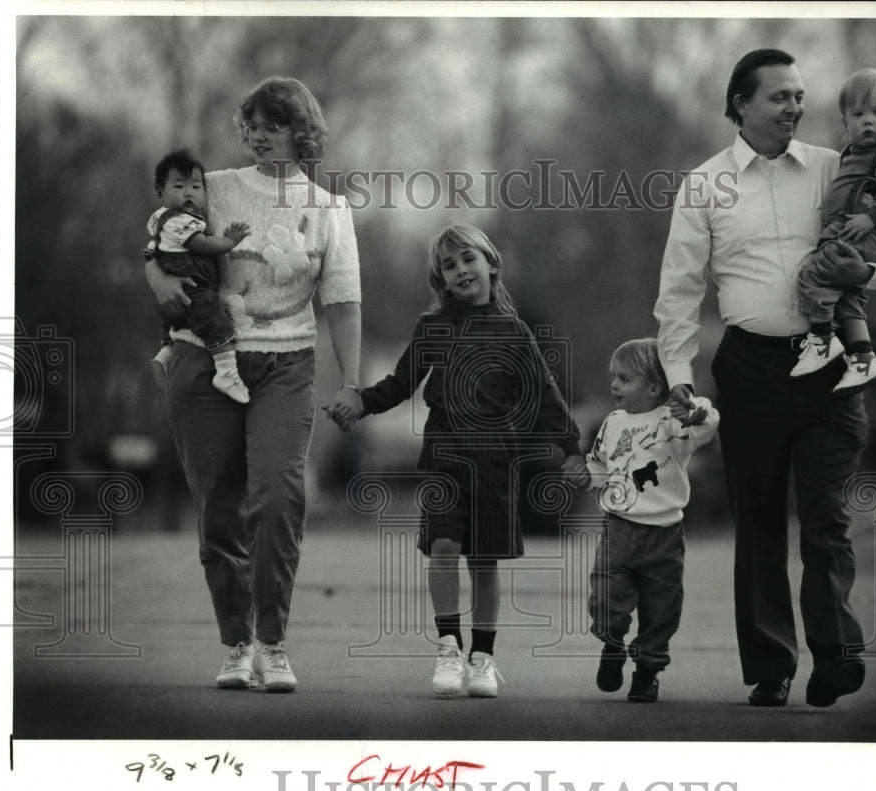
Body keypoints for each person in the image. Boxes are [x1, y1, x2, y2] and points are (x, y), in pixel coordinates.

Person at [655, 49, 876, 708]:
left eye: (799, 95)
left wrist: (867, 272)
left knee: (826, 517)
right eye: (779, 97)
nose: (795, 106)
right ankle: (771, 662)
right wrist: (677, 374)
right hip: (751, 369)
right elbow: (679, 289)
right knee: (760, 519)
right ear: (740, 104)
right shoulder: (705, 185)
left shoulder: (835, 165)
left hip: (830, 366)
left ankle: (834, 654)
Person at [144, 76, 362, 693]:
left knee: (276, 498)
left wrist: (351, 381)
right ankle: (236, 643)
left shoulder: (331, 209)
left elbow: (342, 303)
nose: (262, 135)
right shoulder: (214, 188)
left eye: (275, 124)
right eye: (254, 125)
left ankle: (273, 642)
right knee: (218, 507)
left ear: (302, 130)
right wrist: (153, 276)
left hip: (286, 364)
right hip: (203, 361)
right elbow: (163, 236)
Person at [326, 224, 588, 698]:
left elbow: (546, 394)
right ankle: (448, 648)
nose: (460, 270)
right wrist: (361, 403)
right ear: (440, 280)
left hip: (496, 459)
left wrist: (571, 448)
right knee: (444, 546)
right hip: (444, 453)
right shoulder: (433, 327)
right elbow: (401, 383)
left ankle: (482, 658)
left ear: (491, 264)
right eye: (449, 265)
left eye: (468, 258)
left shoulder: (514, 331)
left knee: (483, 562)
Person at [580, 338, 718, 703]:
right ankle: (612, 643)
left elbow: (706, 424)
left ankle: (648, 671)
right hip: (619, 529)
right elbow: (597, 463)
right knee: (607, 600)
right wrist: (584, 476)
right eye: (614, 377)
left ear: (655, 386)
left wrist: (696, 409)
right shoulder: (612, 422)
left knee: (661, 610)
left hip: (664, 535)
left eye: (624, 379)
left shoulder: (672, 423)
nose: (614, 386)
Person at [791, 68, 876, 394]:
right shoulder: (851, 156)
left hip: (866, 234)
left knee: (812, 275)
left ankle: (822, 340)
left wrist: (873, 217)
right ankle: (863, 360)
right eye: (858, 114)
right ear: (845, 124)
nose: (868, 121)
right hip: (848, 232)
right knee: (847, 297)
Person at [148, 148, 252, 403]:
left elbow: (151, 252)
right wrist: (229, 240)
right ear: (160, 193)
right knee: (215, 320)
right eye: (179, 186)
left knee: (181, 328)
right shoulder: (178, 221)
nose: (188, 193)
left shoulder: (163, 221)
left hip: (175, 297)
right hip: (193, 291)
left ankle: (166, 353)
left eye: (196, 187)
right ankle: (226, 371)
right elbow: (202, 245)